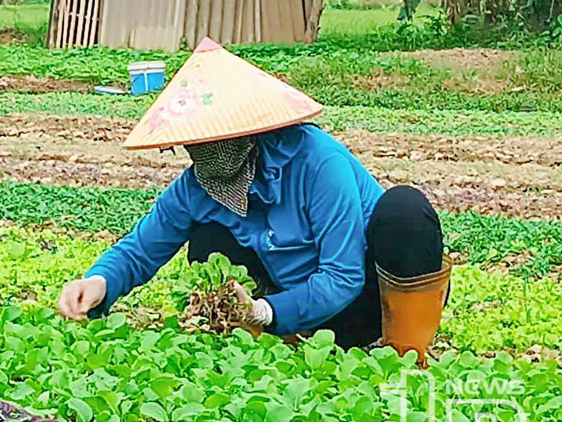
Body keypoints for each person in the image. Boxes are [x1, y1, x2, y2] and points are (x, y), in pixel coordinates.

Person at [57, 38, 446, 350]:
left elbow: (343, 276)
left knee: (404, 209)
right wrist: (98, 283)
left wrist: (265, 310)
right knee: (207, 238)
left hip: (363, 301)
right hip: (288, 313)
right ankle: (278, 340)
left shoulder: (318, 162)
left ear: (245, 134)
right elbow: (142, 248)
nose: (201, 152)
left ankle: (403, 351)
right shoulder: (200, 186)